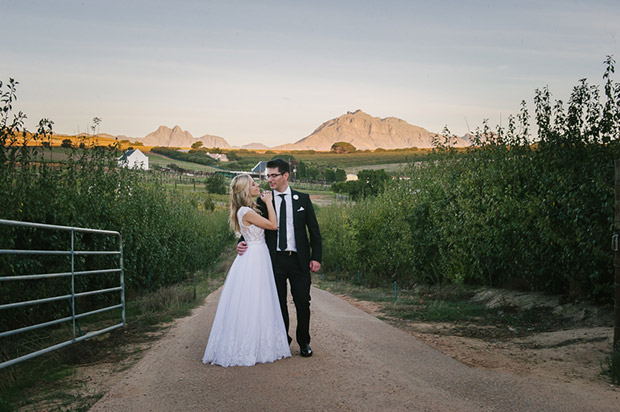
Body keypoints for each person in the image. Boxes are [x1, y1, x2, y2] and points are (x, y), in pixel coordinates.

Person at [203, 174, 291, 367]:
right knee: (253, 300)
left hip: (257, 255)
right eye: (253, 183)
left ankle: (258, 343)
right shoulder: (246, 211)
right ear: (245, 190)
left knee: (258, 300)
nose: (257, 185)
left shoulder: (246, 210)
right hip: (254, 257)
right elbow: (273, 226)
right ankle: (247, 345)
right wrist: (269, 202)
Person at [238, 159, 322, 357]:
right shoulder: (262, 200)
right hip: (273, 261)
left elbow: (314, 232)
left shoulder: (302, 199)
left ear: (286, 175)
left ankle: (304, 342)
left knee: (303, 302)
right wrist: (241, 241)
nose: (270, 180)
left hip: (299, 260)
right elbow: (252, 225)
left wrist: (316, 257)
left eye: (274, 175)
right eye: (268, 176)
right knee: (277, 303)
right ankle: (283, 341)